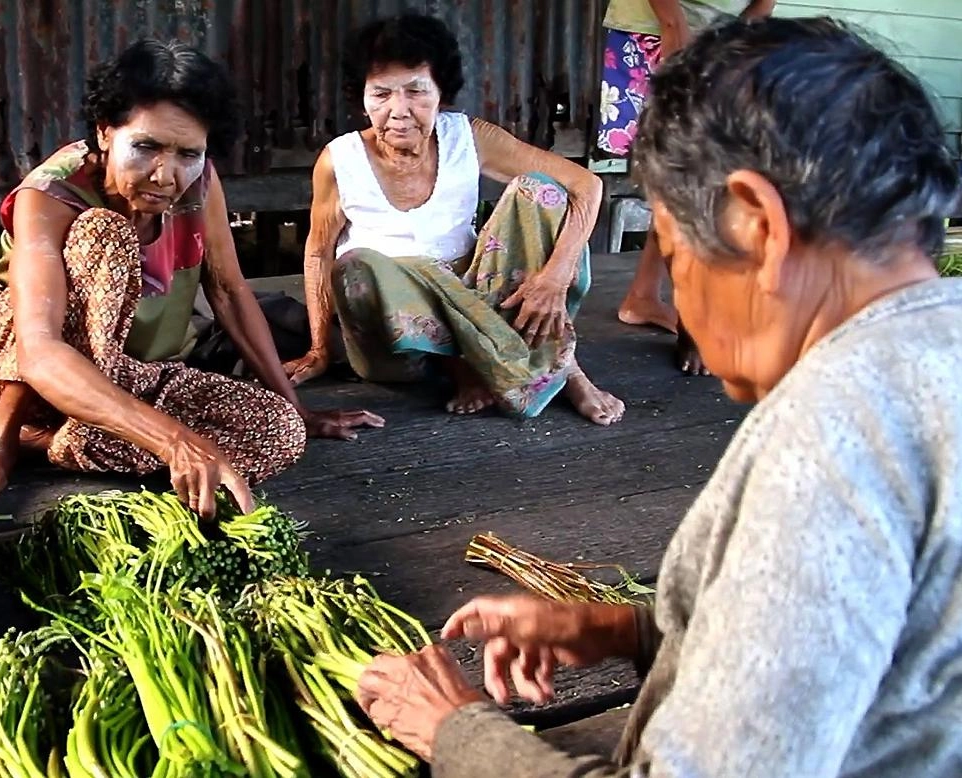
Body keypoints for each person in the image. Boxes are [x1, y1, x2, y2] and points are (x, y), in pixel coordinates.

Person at [353, 17, 962, 776]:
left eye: (670, 254)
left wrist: (453, 730)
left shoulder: (828, 443)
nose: (678, 299)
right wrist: (635, 631)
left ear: (758, 227)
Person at [0, 40, 382, 518]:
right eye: (146, 147)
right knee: (105, 233)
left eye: (188, 153)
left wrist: (297, 409)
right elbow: (38, 350)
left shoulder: (200, 183)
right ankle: (7, 432)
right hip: (14, 369)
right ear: (104, 132)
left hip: (127, 372)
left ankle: (49, 441)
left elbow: (228, 292)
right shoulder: (51, 193)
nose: (165, 175)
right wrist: (174, 441)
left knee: (278, 433)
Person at [281, 13, 625, 424]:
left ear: (441, 92)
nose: (399, 111)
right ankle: (525, 367)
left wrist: (555, 277)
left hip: (480, 300)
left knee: (540, 191)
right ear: (362, 99)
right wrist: (320, 350)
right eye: (382, 94)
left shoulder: (468, 136)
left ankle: (534, 365)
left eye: (416, 91)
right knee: (358, 265)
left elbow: (586, 185)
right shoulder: (340, 160)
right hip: (396, 341)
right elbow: (318, 253)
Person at [598, 0, 776, 375]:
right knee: (682, 174)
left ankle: (643, 296)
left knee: (690, 177)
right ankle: (693, 318)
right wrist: (674, 29)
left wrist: (733, 44)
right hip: (656, 31)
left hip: (719, 39)